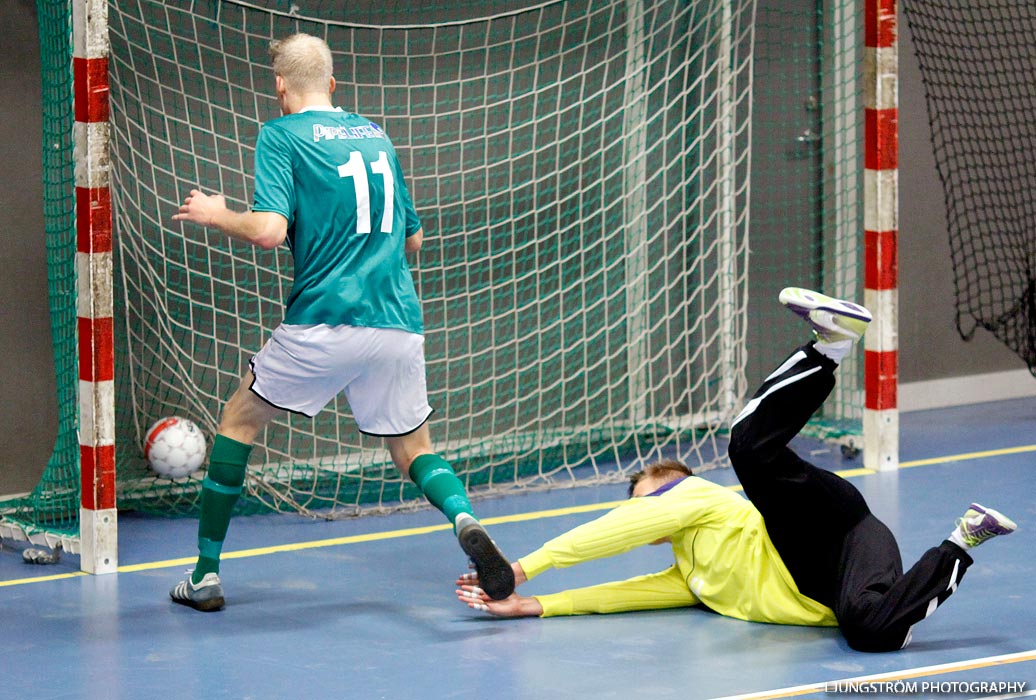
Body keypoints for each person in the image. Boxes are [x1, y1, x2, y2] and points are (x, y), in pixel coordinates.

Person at [456, 287, 1017, 652]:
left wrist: (524, 568)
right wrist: (534, 606)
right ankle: (963, 539)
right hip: (834, 584)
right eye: (646, 504)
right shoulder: (690, 578)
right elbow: (624, 592)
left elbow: (611, 532)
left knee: (749, 452)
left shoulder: (707, 500)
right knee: (870, 631)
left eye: (661, 493)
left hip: (820, 526)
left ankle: (830, 348)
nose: (655, 505)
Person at [169, 33, 514, 611]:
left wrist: (216, 213)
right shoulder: (375, 135)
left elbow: (271, 230)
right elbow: (414, 239)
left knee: (239, 419)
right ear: (332, 84)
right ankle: (463, 520)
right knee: (412, 449)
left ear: (280, 86)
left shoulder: (281, 135)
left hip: (324, 320)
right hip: (396, 321)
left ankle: (204, 576)